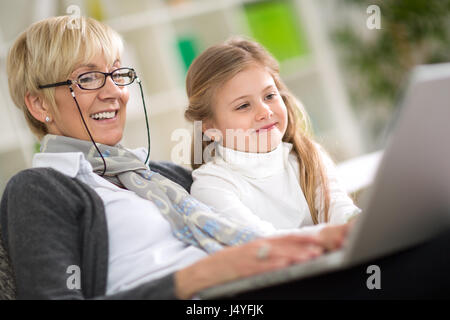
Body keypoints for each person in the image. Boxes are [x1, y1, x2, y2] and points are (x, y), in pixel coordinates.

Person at [0, 15, 330, 300]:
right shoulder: (38, 189)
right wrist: (196, 277)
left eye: (117, 73)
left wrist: (328, 236)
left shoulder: (161, 175)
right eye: (87, 78)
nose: (114, 91)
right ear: (39, 105)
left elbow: (259, 232)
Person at [185, 37, 359, 250]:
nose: (265, 111)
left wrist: (357, 225)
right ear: (209, 127)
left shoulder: (308, 156)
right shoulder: (212, 185)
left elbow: (340, 210)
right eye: (243, 106)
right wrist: (330, 236)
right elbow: (264, 243)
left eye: (269, 96)